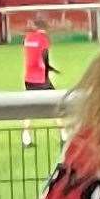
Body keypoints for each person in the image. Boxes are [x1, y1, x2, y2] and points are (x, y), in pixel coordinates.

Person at [21, 17, 60, 148]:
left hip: (29, 77)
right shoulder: (43, 39)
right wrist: (50, 69)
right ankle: (64, 136)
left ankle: (25, 138)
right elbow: (44, 57)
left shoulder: (27, 39)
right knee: (57, 105)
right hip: (41, 78)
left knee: (29, 109)